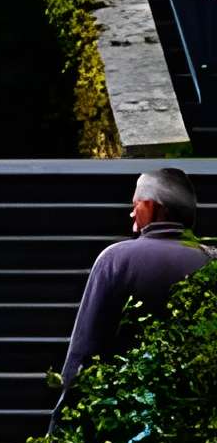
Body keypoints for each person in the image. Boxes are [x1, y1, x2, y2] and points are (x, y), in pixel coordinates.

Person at [57, 166, 207, 398]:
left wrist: (62, 417)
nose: (132, 213)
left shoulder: (116, 259)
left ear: (152, 205)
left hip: (130, 411)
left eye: (135, 204)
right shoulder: (211, 260)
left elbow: (85, 348)